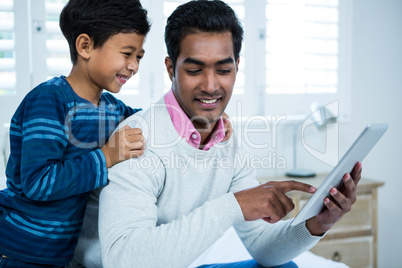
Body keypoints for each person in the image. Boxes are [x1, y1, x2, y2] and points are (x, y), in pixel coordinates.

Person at [72, 1, 362, 267]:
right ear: (171, 68)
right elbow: (124, 260)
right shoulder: (135, 141)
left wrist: (316, 224)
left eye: (223, 70)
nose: (211, 86)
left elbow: (261, 247)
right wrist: (233, 206)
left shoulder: (228, 142)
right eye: (195, 70)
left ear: (237, 67)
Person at [0, 0, 151, 266]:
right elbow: (39, 182)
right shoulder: (50, 100)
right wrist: (106, 157)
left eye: (138, 57)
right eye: (127, 54)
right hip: (19, 251)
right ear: (85, 46)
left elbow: (151, 120)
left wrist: (203, 120)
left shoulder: (112, 109)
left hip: (64, 256)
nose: (134, 66)